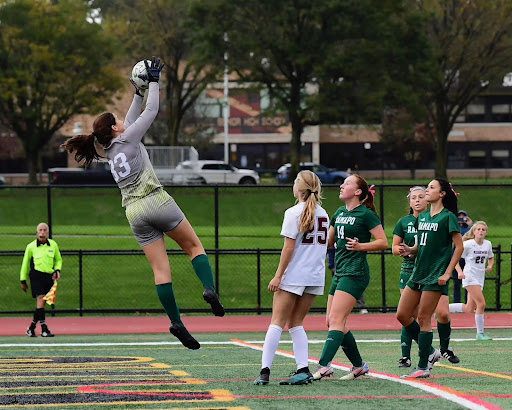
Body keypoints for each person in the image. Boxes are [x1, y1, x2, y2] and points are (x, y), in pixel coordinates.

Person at [60, 57, 224, 350]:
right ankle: (209, 289)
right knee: (194, 247)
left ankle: (176, 321)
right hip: (156, 199)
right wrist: (156, 84)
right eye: (119, 121)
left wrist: (138, 90)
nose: (124, 120)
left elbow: (131, 117)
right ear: (115, 128)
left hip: (134, 212)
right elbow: (152, 110)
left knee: (161, 272)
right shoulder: (130, 138)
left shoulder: (108, 150)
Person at [254, 171, 329, 386]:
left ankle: (264, 372)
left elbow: (288, 249)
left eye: (296, 181)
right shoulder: (324, 214)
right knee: (296, 323)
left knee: (276, 323)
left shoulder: (293, 212)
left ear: (300, 188)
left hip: (295, 275)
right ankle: (303, 369)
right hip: (315, 276)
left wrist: (278, 276)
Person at [313, 175, 388, 381]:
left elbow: (383, 242)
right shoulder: (339, 212)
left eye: (346, 183)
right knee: (332, 321)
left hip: (356, 272)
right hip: (340, 271)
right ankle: (359, 365)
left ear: (357, 192)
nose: (341, 185)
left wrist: (360, 246)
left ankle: (324, 365)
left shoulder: (366, 214)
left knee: (336, 320)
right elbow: (328, 241)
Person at [396, 178, 463, 379]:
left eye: (431, 188)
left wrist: (447, 272)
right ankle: (432, 352)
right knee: (402, 315)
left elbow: (458, 247)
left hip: (435, 275)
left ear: (442, 194)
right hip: (418, 272)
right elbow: (423, 245)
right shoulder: (423, 216)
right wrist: (411, 249)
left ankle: (423, 366)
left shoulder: (448, 217)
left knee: (424, 318)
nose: (427, 190)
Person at [449, 221, 494, 341]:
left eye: (483, 230)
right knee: (481, 304)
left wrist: (490, 265)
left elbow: (491, 257)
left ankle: (442, 308)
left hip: (480, 277)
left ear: (486, 232)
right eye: (478, 229)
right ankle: (480, 333)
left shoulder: (488, 244)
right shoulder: (468, 244)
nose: (480, 231)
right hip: (470, 276)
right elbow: (455, 259)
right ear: (474, 231)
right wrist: (459, 271)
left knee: (469, 308)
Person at [20, 222, 62, 337]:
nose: (42, 233)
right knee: (40, 298)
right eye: (40, 230)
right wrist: (23, 280)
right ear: (37, 232)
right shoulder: (31, 247)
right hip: (36, 276)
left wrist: (57, 270)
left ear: (48, 233)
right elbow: (25, 264)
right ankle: (44, 328)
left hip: (48, 277)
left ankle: (31, 327)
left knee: (42, 303)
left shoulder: (53, 245)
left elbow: (58, 259)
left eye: (44, 230)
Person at [327, 247, 368, 314]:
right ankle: (337, 308)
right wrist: (332, 266)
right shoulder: (335, 243)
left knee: (355, 286)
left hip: (351, 267)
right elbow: (330, 252)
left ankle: (361, 306)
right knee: (337, 289)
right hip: (338, 268)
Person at [452, 210, 473, 303]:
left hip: (466, 257)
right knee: (457, 282)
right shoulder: (454, 228)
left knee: (467, 282)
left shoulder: (468, 229)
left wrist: (470, 225)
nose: (461, 218)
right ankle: (457, 303)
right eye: (459, 216)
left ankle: (468, 303)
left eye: (463, 217)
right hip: (456, 257)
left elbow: (474, 236)